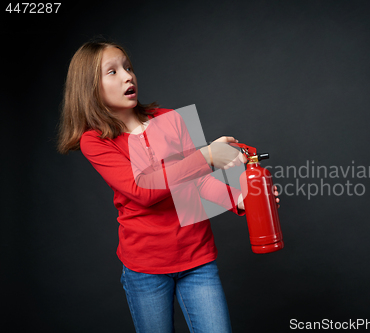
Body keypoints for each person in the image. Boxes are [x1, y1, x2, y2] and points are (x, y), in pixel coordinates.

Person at [57, 40, 280, 333]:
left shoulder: (169, 118)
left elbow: (197, 183)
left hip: (198, 259)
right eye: (112, 72)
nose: (128, 76)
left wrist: (240, 199)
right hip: (146, 270)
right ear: (88, 88)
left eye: (128, 67)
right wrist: (207, 155)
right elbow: (143, 191)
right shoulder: (95, 141)